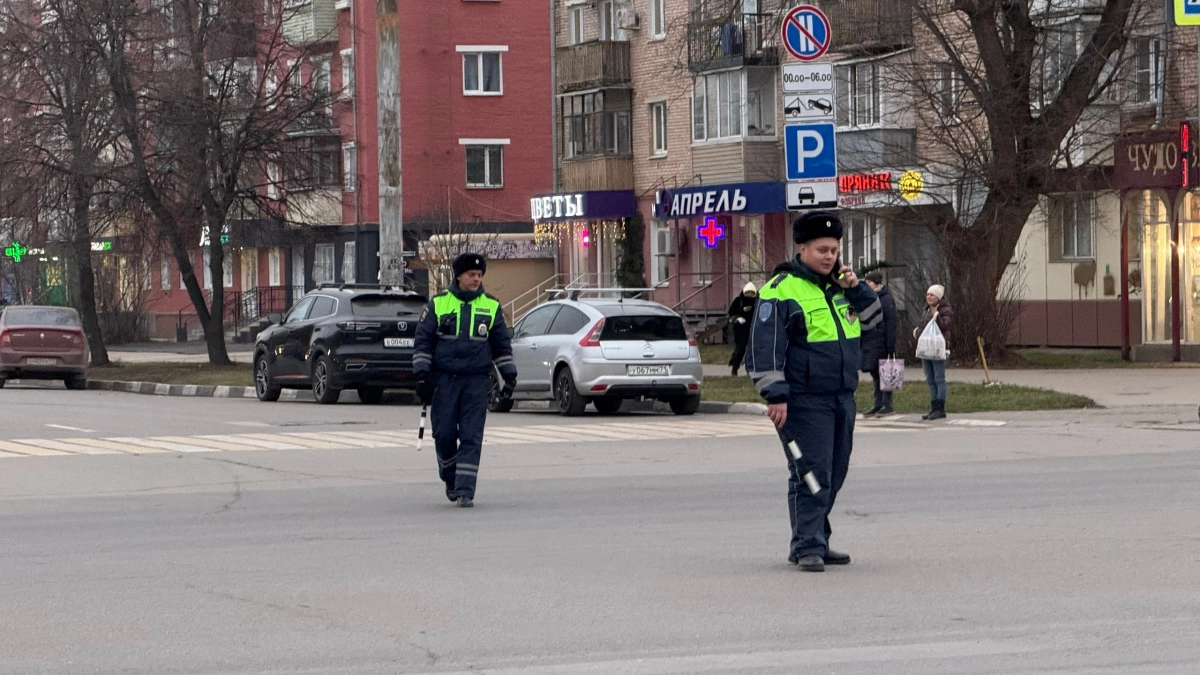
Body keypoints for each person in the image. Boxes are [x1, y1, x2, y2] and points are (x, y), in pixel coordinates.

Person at [745, 211, 882, 572]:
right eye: (822, 249)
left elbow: (873, 321)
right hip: (804, 399)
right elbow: (764, 347)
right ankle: (807, 545)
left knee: (834, 473)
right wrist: (775, 394)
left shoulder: (840, 286)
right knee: (810, 473)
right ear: (801, 248)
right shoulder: (780, 289)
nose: (829, 257)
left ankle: (816, 538)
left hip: (842, 395)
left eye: (834, 250)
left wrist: (856, 286)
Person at [413, 253, 517, 508]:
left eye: (479, 275)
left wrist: (509, 374)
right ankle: (450, 477)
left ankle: (465, 490)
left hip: (476, 381)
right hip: (445, 380)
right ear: (458, 276)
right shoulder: (438, 304)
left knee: (472, 436)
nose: (476, 279)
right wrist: (422, 375)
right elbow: (423, 342)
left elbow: (501, 345)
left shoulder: (491, 306)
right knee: (444, 434)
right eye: (471, 274)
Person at [860, 271, 898, 417]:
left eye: (869, 282)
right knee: (875, 372)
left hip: (881, 341)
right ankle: (878, 403)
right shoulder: (868, 298)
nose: (867, 285)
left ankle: (888, 404)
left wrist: (890, 344)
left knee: (886, 372)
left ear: (877, 283)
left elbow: (891, 322)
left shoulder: (886, 299)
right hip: (870, 340)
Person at [913, 284, 953, 421]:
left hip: (938, 349)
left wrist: (936, 315)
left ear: (939, 297)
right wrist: (917, 333)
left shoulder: (945, 310)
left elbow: (944, 326)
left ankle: (940, 408)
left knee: (939, 378)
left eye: (932, 295)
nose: (929, 297)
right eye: (928, 294)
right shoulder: (925, 310)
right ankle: (933, 407)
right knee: (930, 379)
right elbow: (922, 326)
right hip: (926, 349)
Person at [727, 282, 758, 376]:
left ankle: (750, 369)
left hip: (753, 328)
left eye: (751, 293)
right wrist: (740, 314)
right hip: (740, 329)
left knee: (752, 350)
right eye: (747, 293)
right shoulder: (739, 300)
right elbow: (731, 312)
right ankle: (734, 367)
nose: (749, 295)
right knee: (740, 349)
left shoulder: (757, 301)